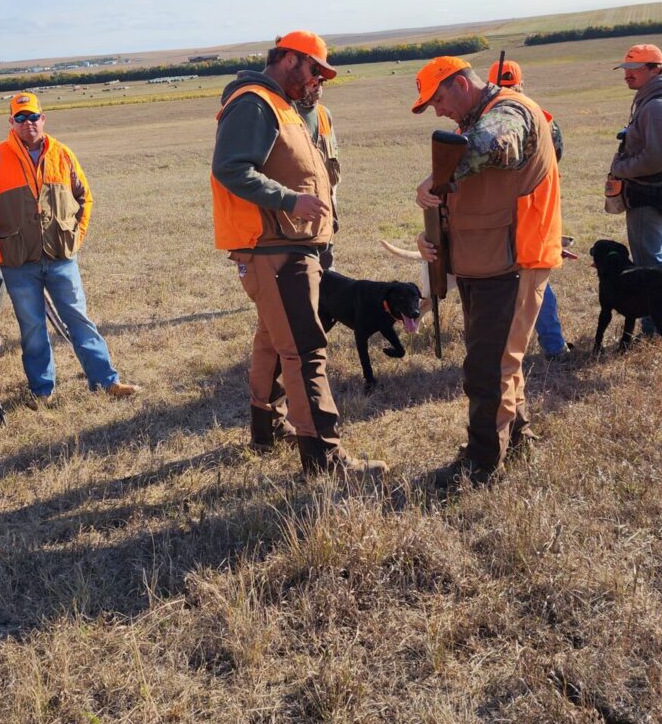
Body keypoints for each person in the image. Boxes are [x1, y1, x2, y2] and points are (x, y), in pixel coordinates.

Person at [212, 31, 379, 480]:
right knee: (305, 350)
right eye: (313, 70)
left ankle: (266, 430)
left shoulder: (283, 105)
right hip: (277, 249)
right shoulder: (255, 103)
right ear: (287, 59)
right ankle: (323, 458)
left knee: (274, 338)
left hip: (287, 246)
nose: (316, 81)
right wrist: (290, 201)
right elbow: (230, 168)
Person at [414, 56, 562, 487]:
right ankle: (517, 437)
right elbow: (474, 196)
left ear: (461, 84)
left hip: (514, 260)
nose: (438, 110)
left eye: (438, 99)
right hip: (485, 260)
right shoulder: (474, 121)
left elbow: (496, 145)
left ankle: (481, 462)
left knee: (488, 367)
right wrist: (435, 239)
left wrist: (437, 177)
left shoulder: (510, 112)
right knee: (502, 360)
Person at [0, 93, 139, 403]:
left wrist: (77, 235)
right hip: (18, 261)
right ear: (11, 122)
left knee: (79, 320)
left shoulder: (62, 154)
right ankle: (42, 391)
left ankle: (106, 382)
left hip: (61, 257)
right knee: (33, 329)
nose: (28, 123)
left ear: (43, 119)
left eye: (33, 117)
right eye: (20, 118)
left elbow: (85, 198)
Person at [607, 43, 662, 334]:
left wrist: (621, 168)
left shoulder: (657, 105)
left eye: (634, 69)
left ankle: (657, 327)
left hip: (649, 196)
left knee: (650, 265)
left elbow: (658, 157)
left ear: (655, 69)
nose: (627, 75)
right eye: (626, 69)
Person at [487, 59, 571, 360]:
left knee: (498, 282)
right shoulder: (544, 118)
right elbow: (554, 159)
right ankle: (553, 346)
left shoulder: (482, 120)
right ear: (521, 84)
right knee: (536, 281)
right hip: (536, 213)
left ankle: (502, 348)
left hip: (497, 217)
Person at [293, 77, 339, 271]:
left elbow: (332, 166)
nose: (319, 86)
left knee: (327, 268)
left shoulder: (323, 114)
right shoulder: (285, 114)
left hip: (325, 206)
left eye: (322, 81)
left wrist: (333, 204)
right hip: (297, 209)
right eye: (313, 80)